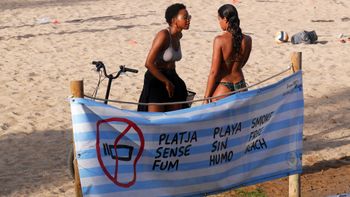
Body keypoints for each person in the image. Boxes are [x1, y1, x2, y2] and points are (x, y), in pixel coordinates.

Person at [138, 3, 191, 112]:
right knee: (155, 120)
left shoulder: (178, 36)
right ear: (174, 20)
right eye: (185, 18)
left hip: (172, 77)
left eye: (189, 17)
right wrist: (166, 82)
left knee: (174, 119)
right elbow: (148, 63)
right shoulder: (163, 35)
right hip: (157, 78)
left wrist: (170, 80)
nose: (188, 20)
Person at [204, 4, 252, 103]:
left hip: (224, 86)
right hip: (241, 85)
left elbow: (214, 72)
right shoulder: (248, 40)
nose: (219, 23)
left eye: (219, 19)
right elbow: (242, 63)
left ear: (225, 19)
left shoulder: (220, 40)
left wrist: (206, 97)